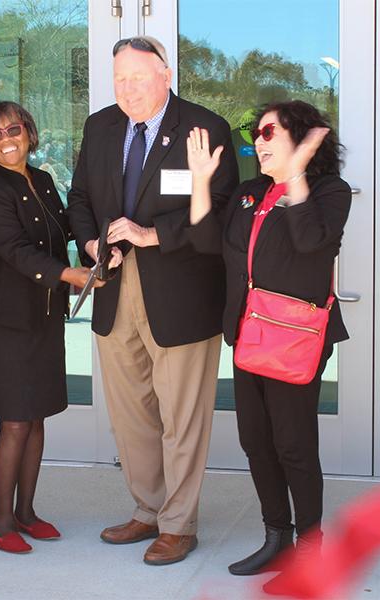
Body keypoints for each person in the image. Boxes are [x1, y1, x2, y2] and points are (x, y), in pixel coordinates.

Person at [67, 36, 238, 565]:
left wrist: (153, 235)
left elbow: (224, 213)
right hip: (114, 288)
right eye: (119, 79)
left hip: (181, 292)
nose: (127, 89)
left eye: (138, 77)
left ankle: (179, 524)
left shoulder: (203, 128)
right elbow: (79, 200)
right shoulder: (100, 127)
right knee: (131, 413)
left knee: (182, 416)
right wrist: (92, 243)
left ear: (165, 74)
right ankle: (147, 510)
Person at [185, 100, 351, 589]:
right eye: (253, 132)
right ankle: (277, 538)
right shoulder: (250, 191)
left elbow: (311, 242)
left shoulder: (329, 190)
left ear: (299, 139)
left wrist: (296, 174)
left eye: (268, 132)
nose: (256, 140)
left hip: (295, 338)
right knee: (256, 442)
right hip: (248, 333)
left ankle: (311, 550)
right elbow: (206, 243)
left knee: (294, 445)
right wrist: (199, 180)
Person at [0, 101, 101, 554]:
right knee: (15, 423)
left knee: (37, 416)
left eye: (13, 128)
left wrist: (94, 244)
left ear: (28, 132)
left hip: (43, 317)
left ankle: (26, 512)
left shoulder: (42, 179)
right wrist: (71, 275)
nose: (7, 139)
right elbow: (13, 250)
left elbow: (62, 229)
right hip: (5, 325)